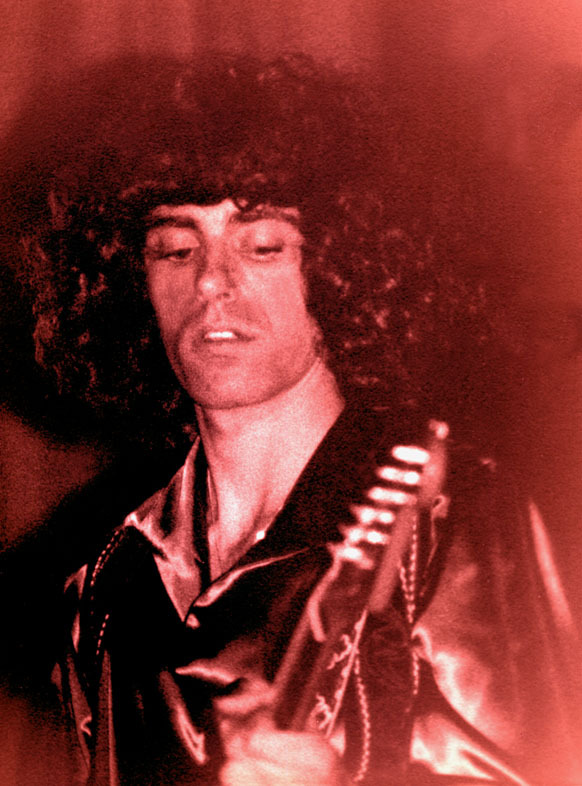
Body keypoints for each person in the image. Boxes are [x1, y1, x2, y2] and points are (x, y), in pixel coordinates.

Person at [23, 53, 581, 785]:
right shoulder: (103, 582)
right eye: (176, 248)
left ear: (344, 270)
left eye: (263, 246)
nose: (212, 281)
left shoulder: (451, 523)